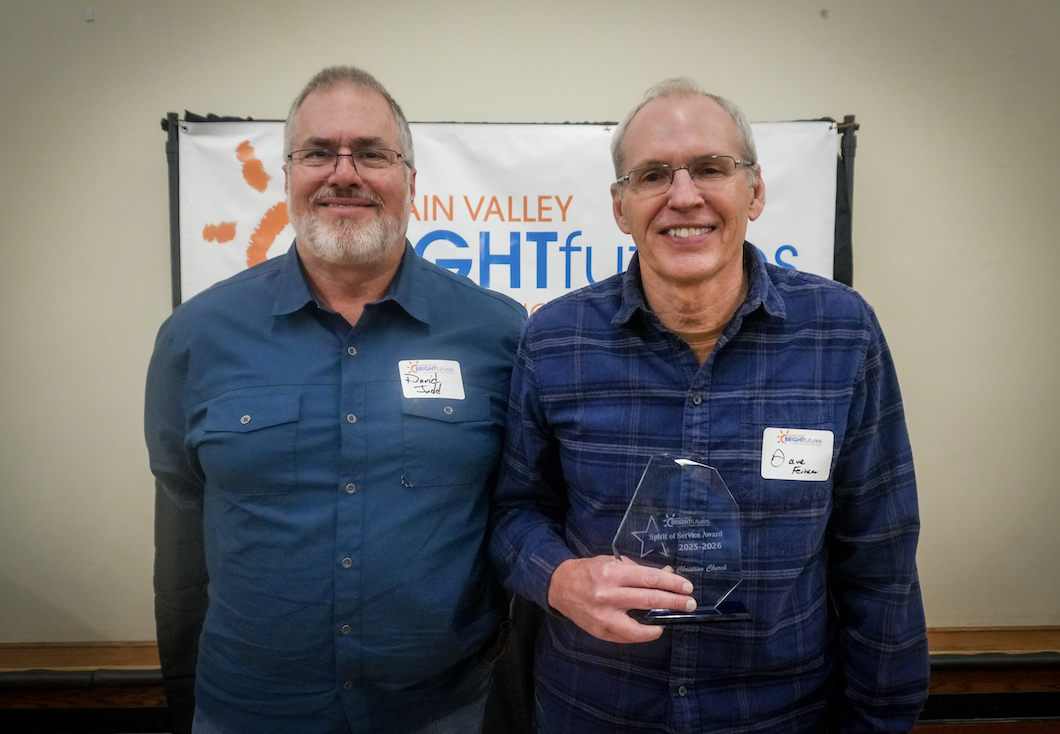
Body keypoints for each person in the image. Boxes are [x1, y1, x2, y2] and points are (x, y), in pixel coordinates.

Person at [489, 78, 929, 733]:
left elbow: (880, 559)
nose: (683, 195)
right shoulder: (557, 338)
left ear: (754, 191)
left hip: (780, 716)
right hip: (593, 710)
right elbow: (513, 513)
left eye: (710, 168)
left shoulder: (841, 333)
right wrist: (556, 578)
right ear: (620, 206)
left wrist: (880, 722)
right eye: (652, 175)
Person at [145, 66, 526, 734]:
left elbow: (525, 512)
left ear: (410, 177)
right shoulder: (196, 337)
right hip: (250, 712)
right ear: (287, 174)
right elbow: (182, 535)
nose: (343, 173)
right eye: (318, 152)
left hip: (446, 710)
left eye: (372, 153)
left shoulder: (499, 333)